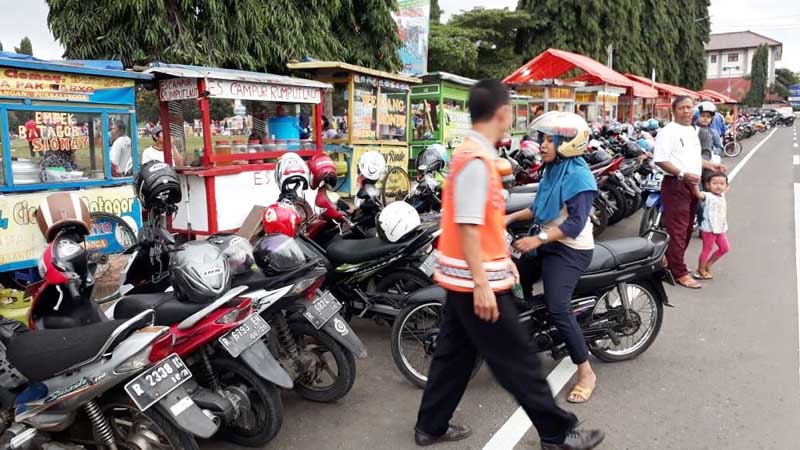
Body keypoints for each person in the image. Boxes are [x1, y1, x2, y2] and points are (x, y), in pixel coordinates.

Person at [414, 79, 603, 450]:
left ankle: (430, 425)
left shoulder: (470, 154)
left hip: (462, 276)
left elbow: (482, 223)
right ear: (502, 112)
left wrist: (505, 257)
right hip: (475, 281)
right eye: (511, 110)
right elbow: (469, 226)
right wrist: (485, 282)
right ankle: (558, 433)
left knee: (453, 354)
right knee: (519, 362)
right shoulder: (477, 161)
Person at [505, 111, 599, 404]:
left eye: (549, 140)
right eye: (543, 139)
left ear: (567, 144)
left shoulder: (580, 178)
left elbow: (573, 225)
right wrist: (507, 218)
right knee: (509, 278)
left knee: (558, 306)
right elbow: (539, 206)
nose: (542, 145)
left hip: (571, 249)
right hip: (547, 241)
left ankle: (585, 372)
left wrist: (536, 239)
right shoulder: (552, 169)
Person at [654, 96, 725, 289]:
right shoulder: (668, 131)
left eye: (689, 107)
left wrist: (712, 165)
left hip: (693, 184)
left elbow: (693, 157)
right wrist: (682, 174)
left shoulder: (692, 130)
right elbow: (660, 159)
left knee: (686, 229)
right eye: (682, 108)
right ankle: (679, 272)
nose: (686, 111)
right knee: (677, 230)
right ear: (674, 110)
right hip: (676, 184)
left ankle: (668, 262)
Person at [693, 172, 729, 279]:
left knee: (725, 248)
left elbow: (722, 182)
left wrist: (720, 169)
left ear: (727, 187)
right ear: (708, 185)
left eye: (722, 184)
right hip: (709, 229)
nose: (718, 186)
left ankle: (708, 264)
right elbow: (698, 195)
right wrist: (695, 184)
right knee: (707, 250)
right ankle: (700, 269)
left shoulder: (722, 194)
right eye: (715, 183)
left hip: (720, 228)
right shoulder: (707, 196)